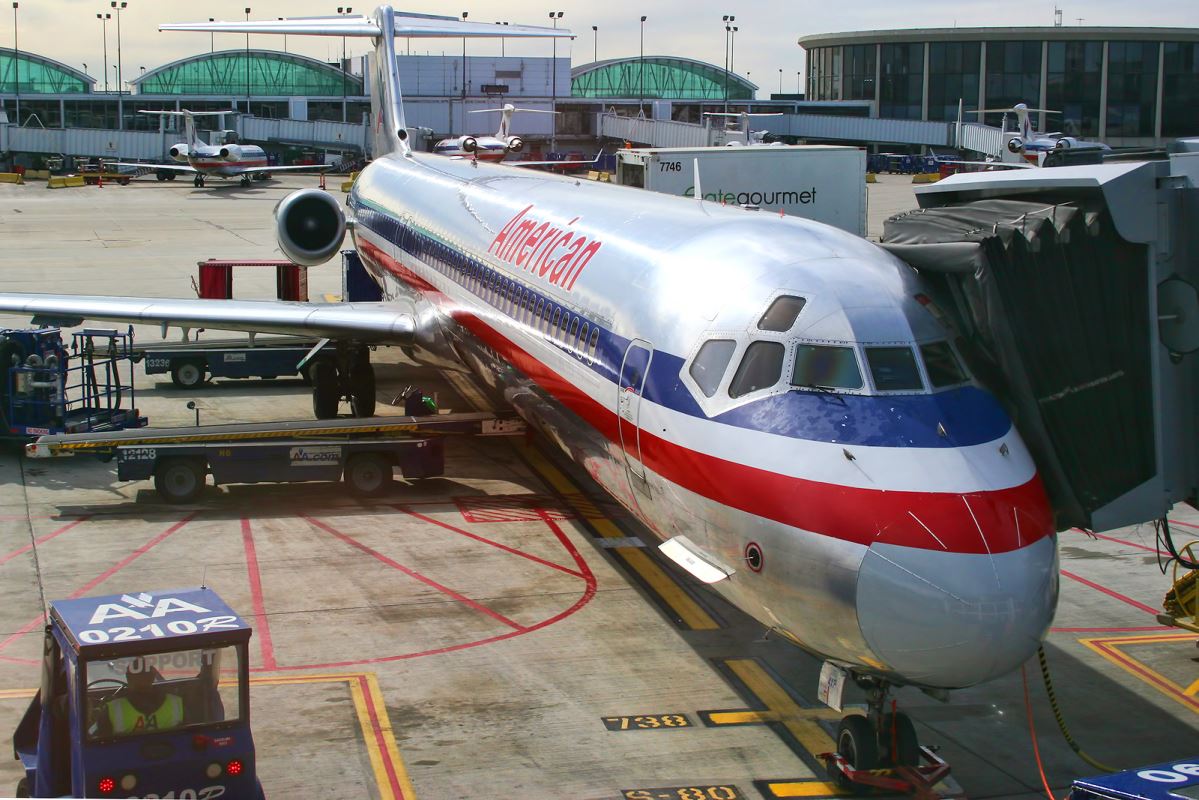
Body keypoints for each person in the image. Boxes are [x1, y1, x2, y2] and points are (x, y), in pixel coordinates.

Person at [97, 657, 184, 736]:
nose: (140, 679)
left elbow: (99, 745)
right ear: (153, 676)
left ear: (128, 678)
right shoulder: (177, 703)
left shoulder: (112, 709)